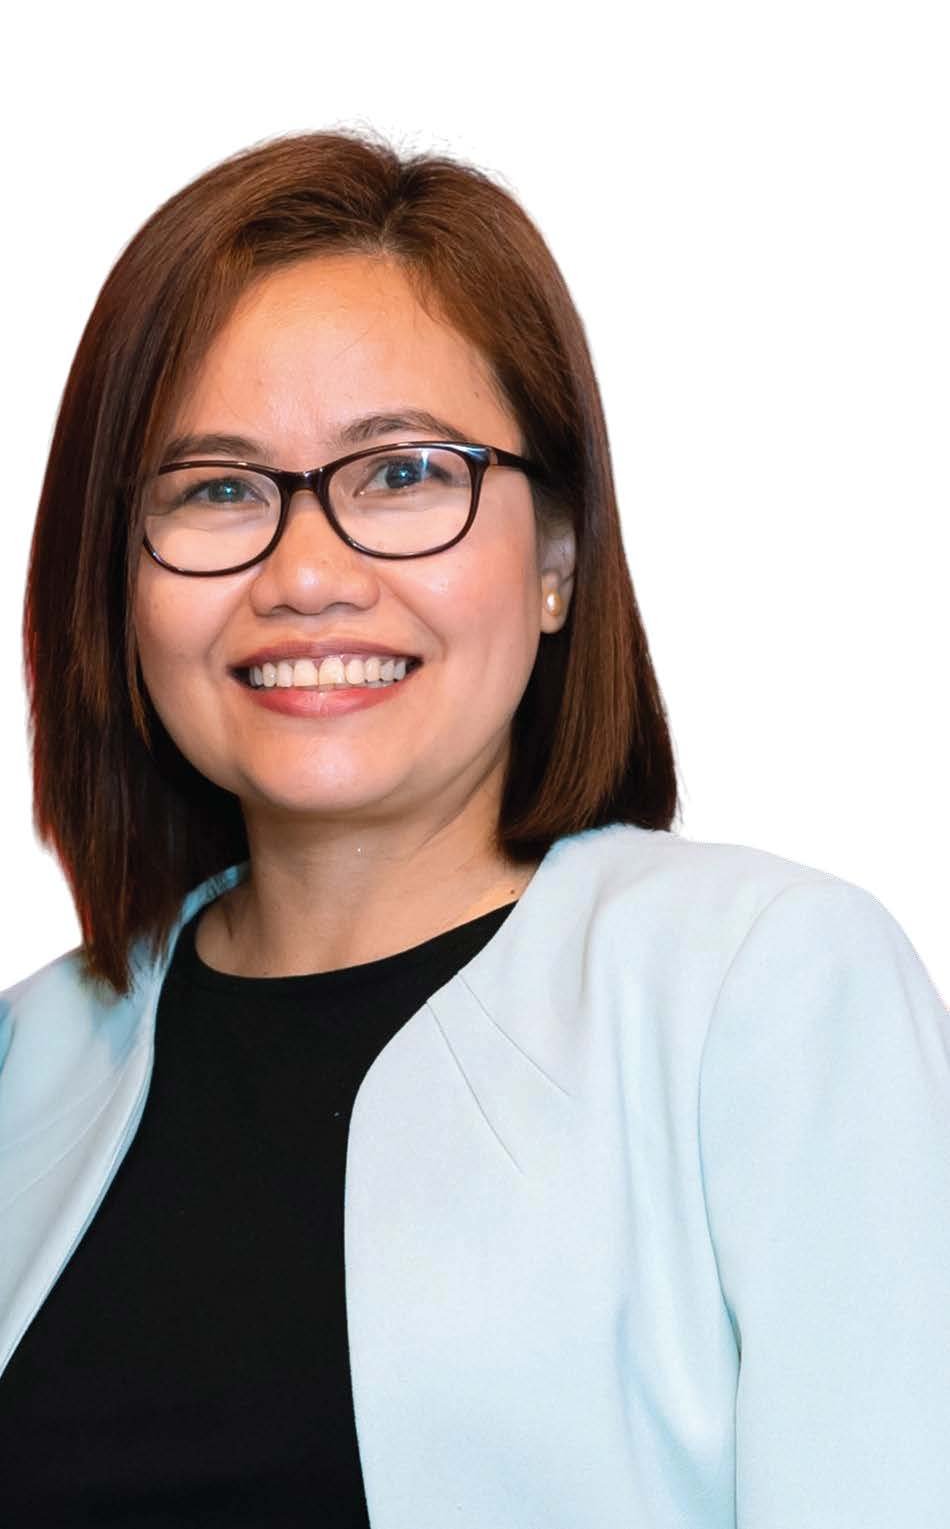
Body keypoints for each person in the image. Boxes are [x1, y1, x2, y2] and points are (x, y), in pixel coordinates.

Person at [1, 129, 948, 1529]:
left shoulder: (760, 989)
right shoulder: (29, 1067)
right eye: (215, 488)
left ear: (556, 553)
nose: (306, 573)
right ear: (118, 576)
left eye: (401, 475)